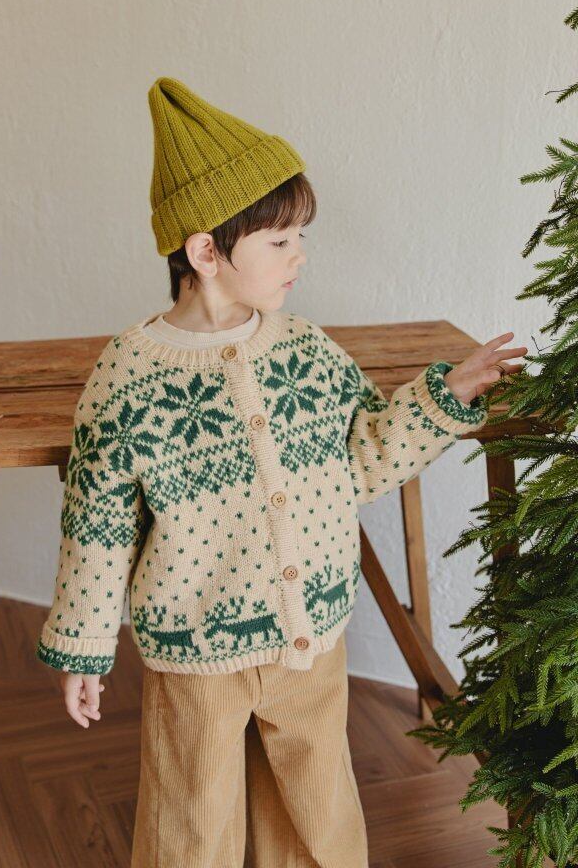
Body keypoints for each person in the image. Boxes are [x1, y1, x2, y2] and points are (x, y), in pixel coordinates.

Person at [35, 77, 528, 867]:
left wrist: (444, 399)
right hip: (196, 649)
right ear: (206, 252)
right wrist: (83, 647)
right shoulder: (128, 378)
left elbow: (361, 459)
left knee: (317, 810)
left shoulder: (306, 351)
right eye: (279, 240)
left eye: (301, 235)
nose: (300, 254)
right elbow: (97, 525)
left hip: (313, 639)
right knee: (192, 820)